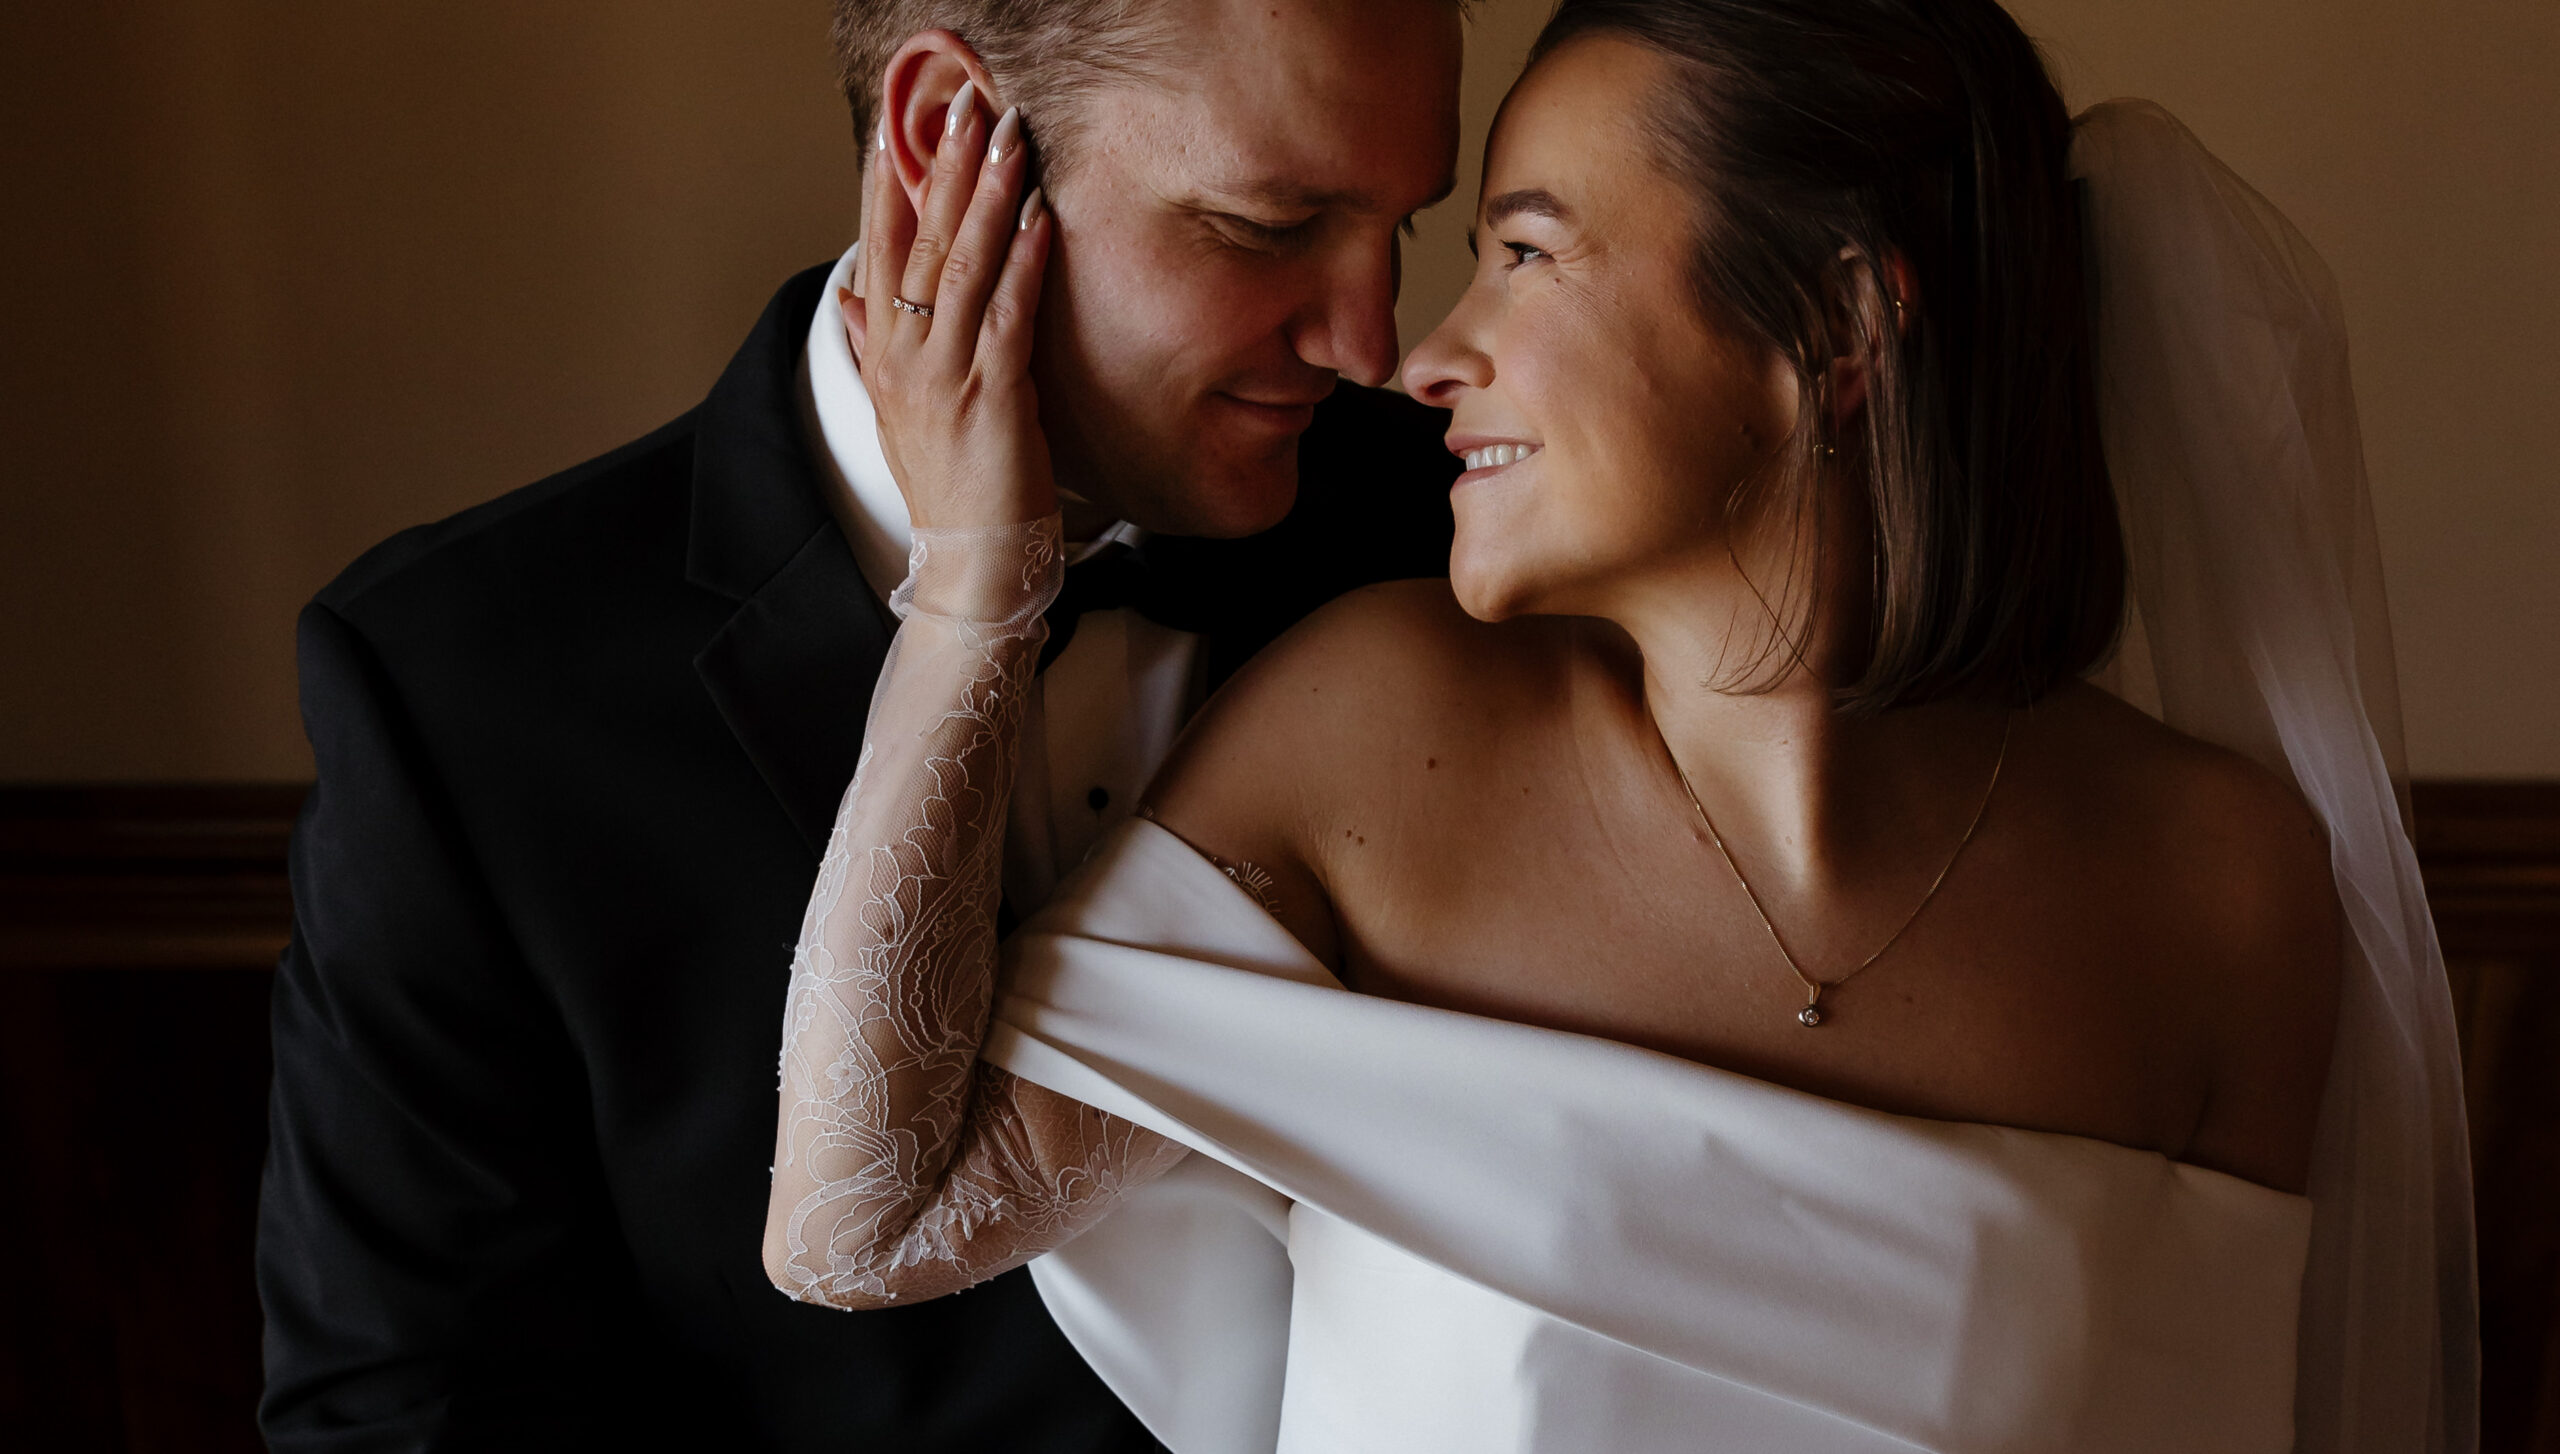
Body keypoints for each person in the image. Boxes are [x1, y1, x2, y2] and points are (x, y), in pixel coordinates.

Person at [765, 0, 2478, 1449]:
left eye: (1520, 251)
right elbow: (858, 1223)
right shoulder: (1371, 741)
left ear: (1836, 323)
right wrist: (979, 581)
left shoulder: (2225, 898)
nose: (1417, 353)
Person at [255, 1, 1468, 1448]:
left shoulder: (1463, 542)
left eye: (1401, 229)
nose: (1371, 338)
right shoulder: (465, 691)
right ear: (947, 132)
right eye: (1269, 224)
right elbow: (408, 1418)